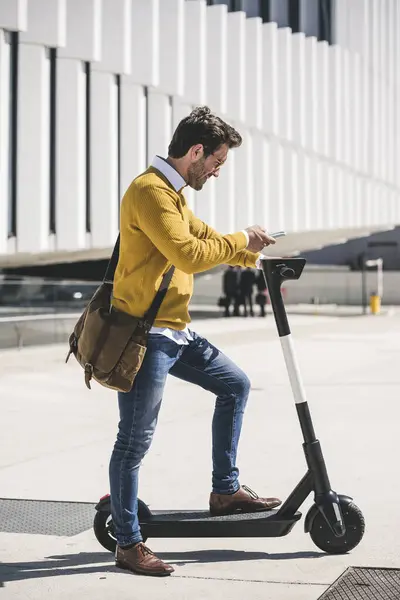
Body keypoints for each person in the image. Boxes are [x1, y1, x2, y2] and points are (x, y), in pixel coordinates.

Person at [109, 106, 281, 577]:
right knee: (134, 441)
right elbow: (187, 252)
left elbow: (206, 239)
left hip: (177, 331)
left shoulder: (177, 195)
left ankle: (225, 492)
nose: (218, 171)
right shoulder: (150, 192)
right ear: (197, 151)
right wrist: (241, 238)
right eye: (217, 162)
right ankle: (127, 543)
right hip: (147, 337)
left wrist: (257, 257)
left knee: (235, 386)